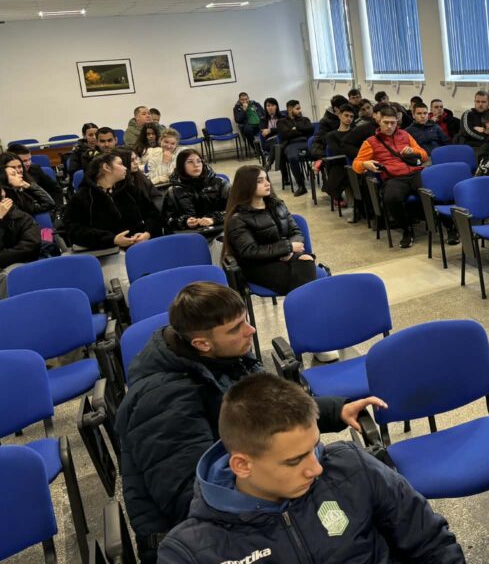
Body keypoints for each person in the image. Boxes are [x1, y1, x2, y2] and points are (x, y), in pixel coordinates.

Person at [115, 283, 381, 562]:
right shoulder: (163, 402)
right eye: (236, 328)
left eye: (245, 320)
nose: (251, 330)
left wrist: (336, 411)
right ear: (202, 344)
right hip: (204, 539)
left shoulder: (226, 358)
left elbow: (270, 414)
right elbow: (191, 498)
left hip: (248, 502)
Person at [158, 372, 464, 564]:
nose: (316, 468)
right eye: (295, 460)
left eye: (315, 447)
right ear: (242, 465)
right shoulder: (190, 552)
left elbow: (431, 542)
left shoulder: (352, 466)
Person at [223, 165, 317, 294]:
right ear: (246, 185)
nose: (267, 183)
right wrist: (287, 247)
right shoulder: (238, 218)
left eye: (266, 179)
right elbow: (249, 251)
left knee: (306, 262)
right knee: (306, 267)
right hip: (258, 266)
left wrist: (288, 251)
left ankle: (303, 302)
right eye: (260, 181)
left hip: (286, 256)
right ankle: (308, 301)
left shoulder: (277, 205)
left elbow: (296, 232)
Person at [353, 106, 428, 249]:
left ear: (397, 122)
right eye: (386, 122)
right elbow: (356, 165)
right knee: (391, 199)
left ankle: (447, 226)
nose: (389, 126)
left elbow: (423, 155)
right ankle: (407, 229)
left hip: (415, 173)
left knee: (432, 192)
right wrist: (365, 164)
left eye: (393, 123)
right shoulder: (370, 142)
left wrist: (413, 151)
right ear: (379, 121)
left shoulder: (405, 135)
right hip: (394, 178)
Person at [65, 153, 163, 250]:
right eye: (120, 164)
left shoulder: (130, 189)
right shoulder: (83, 197)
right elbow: (74, 231)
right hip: (105, 252)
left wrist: (147, 233)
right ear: (107, 167)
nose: (125, 168)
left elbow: (153, 214)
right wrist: (113, 239)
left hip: (141, 245)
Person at [163, 150, 230, 236]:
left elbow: (235, 209)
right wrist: (185, 222)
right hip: (189, 235)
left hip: (220, 231)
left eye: (199, 161)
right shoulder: (173, 191)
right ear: (181, 166)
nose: (196, 165)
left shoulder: (220, 184)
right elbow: (167, 220)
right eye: (190, 162)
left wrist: (214, 219)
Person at [0, 186, 41, 298]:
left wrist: (30, 186)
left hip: (19, 261)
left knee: (7, 276)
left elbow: (30, 246)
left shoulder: (22, 218)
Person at [276, 99, 315, 197]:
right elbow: (285, 135)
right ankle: (301, 186)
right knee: (293, 157)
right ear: (290, 109)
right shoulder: (281, 121)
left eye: (300, 108)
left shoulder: (305, 119)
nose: (300, 110)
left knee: (319, 152)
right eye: (297, 109)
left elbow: (311, 129)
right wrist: (301, 130)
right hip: (291, 144)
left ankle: (325, 181)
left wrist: (295, 128)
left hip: (306, 142)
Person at [7, 143, 63, 209]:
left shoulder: (35, 169)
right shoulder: (5, 177)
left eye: (29, 159)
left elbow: (55, 189)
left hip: (40, 206)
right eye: (24, 161)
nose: (28, 163)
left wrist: (57, 209)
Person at [1, 151, 56, 215]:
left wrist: (29, 186)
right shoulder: (3, 195)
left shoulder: (22, 189)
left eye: (20, 167)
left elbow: (49, 203)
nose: (18, 171)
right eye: (12, 168)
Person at [323, 103, 356, 203]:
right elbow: (336, 151)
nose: (349, 118)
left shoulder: (356, 132)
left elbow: (358, 151)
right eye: (346, 115)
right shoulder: (331, 135)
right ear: (339, 115)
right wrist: (351, 150)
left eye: (351, 116)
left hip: (354, 162)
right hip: (339, 163)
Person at [310, 94, 346, 161]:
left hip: (339, 147)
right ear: (336, 109)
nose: (346, 110)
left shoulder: (345, 117)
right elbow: (326, 140)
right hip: (323, 149)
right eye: (344, 109)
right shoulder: (325, 121)